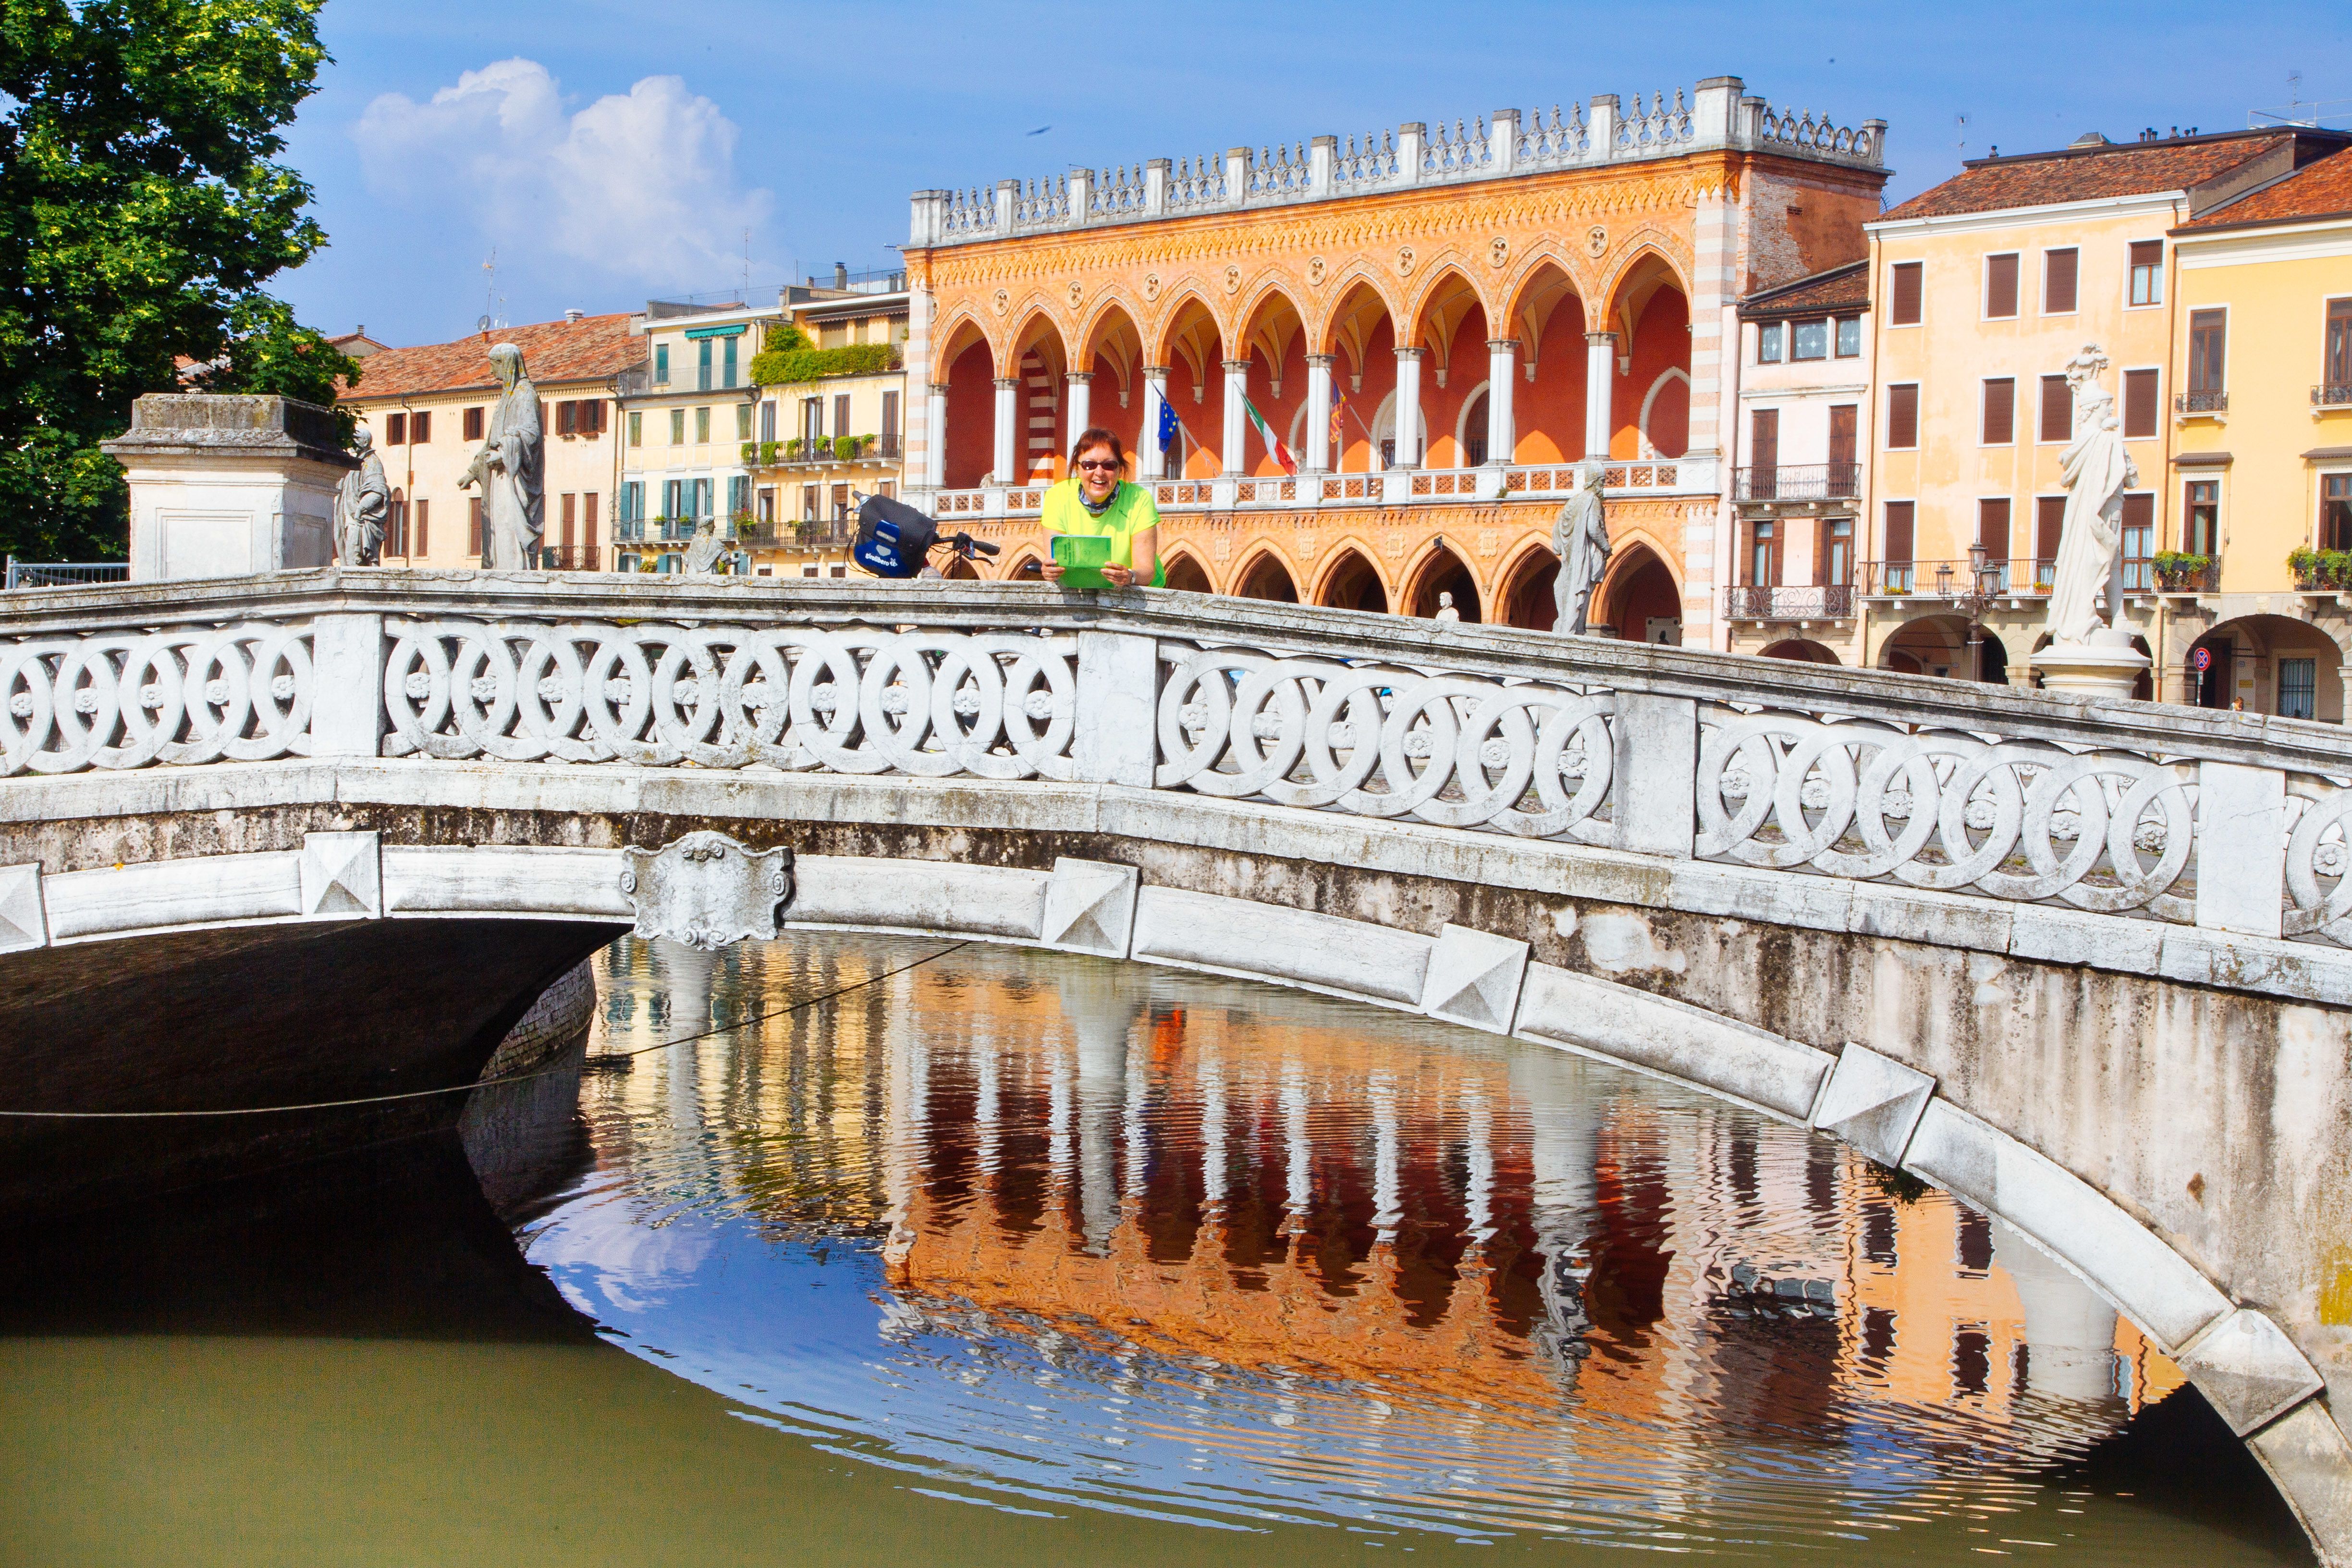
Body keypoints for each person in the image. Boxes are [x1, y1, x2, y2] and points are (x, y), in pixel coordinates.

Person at [1040, 428, 1162, 588]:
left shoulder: (1139, 499)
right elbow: (1057, 562)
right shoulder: (1057, 497)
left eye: (1109, 465)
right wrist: (1050, 571)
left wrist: (1130, 576)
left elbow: (1145, 571)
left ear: (1120, 470)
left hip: (1138, 593)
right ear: (1077, 468)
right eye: (1089, 465)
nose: (1099, 472)